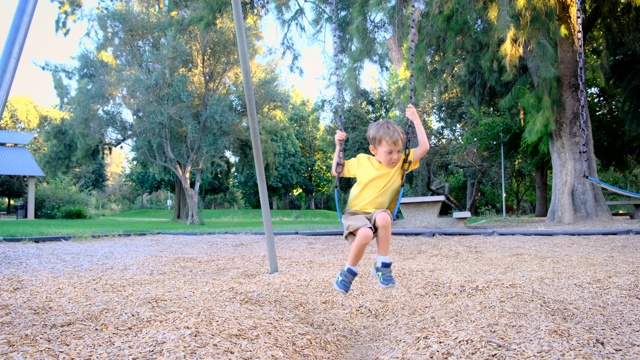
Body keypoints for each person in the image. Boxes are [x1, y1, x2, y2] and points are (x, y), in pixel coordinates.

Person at [332, 104, 430, 294]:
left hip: (377, 214)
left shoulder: (402, 163)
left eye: (399, 151)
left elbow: (424, 147)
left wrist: (416, 120)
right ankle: (348, 271)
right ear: (374, 150)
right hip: (355, 213)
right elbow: (337, 169)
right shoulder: (362, 161)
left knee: (385, 218)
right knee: (366, 234)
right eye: (389, 152)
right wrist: (338, 146)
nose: (395, 156)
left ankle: (382, 265)